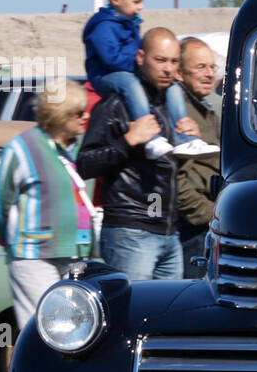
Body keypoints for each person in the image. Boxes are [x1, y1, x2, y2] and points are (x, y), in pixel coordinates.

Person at [0, 79, 97, 372]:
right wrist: (10, 240)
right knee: (42, 333)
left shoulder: (67, 148)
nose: (85, 118)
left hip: (71, 255)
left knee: (61, 334)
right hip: (32, 255)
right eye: (77, 113)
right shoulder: (23, 147)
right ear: (59, 114)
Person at [77, 27, 191, 279]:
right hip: (130, 232)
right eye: (160, 60)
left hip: (169, 233)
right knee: (133, 313)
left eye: (174, 62)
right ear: (140, 58)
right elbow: (84, 164)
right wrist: (128, 140)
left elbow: (166, 168)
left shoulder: (170, 105)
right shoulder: (116, 104)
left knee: (167, 316)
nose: (168, 69)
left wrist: (188, 140)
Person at [82, 0, 216, 158]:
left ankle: (184, 138)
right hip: (105, 75)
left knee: (174, 88)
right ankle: (150, 135)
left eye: (174, 61)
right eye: (137, 1)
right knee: (130, 83)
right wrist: (139, 65)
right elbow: (110, 58)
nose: (141, 7)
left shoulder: (129, 22)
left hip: (127, 71)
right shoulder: (103, 26)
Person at [175, 38, 222, 279]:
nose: (209, 74)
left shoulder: (205, 110)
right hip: (192, 230)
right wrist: (211, 213)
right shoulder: (180, 112)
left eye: (212, 67)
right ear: (180, 73)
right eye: (201, 67)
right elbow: (178, 182)